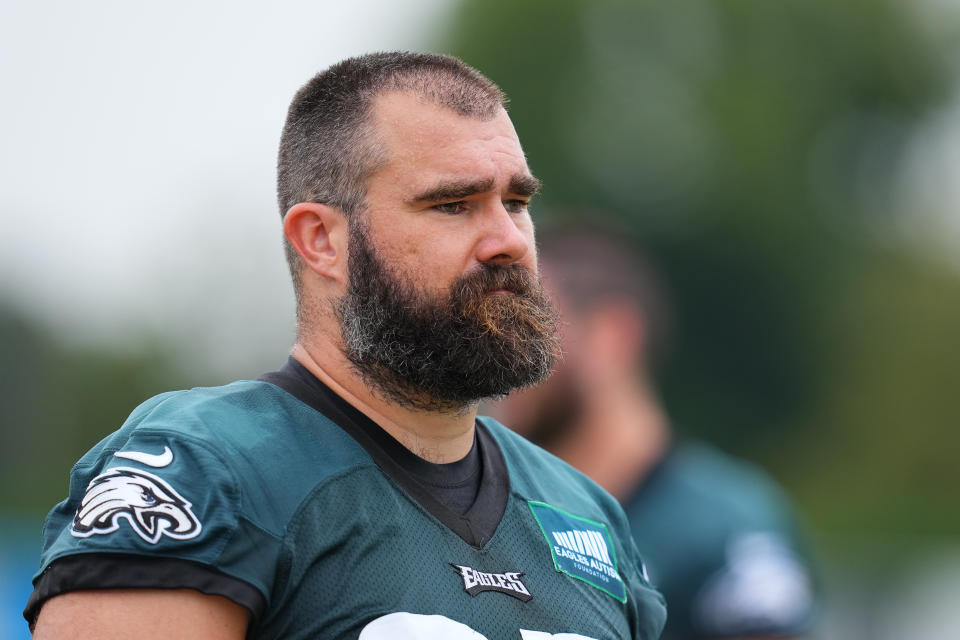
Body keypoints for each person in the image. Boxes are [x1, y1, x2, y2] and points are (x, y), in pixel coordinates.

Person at [24, 53, 666, 640]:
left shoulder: (586, 515)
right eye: (453, 204)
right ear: (321, 241)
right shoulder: (208, 473)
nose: (510, 240)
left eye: (516, 201)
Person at [490, 229, 818, 640]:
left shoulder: (724, 530)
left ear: (611, 335)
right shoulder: (497, 518)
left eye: (527, 327)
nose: (501, 353)